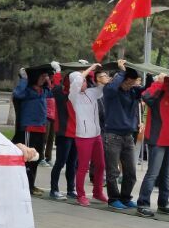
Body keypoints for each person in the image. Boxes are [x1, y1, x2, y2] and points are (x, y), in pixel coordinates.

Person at [136, 73, 169, 217]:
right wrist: (160, 82)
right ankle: (143, 204)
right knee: (153, 174)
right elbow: (145, 96)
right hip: (157, 140)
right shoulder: (158, 93)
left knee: (165, 175)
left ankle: (163, 204)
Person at [101, 60, 144, 209]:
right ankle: (113, 199)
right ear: (121, 79)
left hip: (128, 136)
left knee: (131, 172)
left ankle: (125, 197)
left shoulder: (133, 92)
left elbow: (148, 90)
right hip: (112, 135)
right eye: (128, 82)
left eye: (133, 83)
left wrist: (152, 76)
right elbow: (113, 87)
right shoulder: (110, 90)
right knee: (113, 171)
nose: (130, 85)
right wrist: (122, 71)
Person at [69, 64, 110, 206]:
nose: (84, 83)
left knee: (101, 165)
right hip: (83, 137)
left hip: (96, 135)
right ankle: (80, 195)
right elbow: (77, 81)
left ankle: (97, 192)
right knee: (83, 167)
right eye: (82, 81)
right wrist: (91, 67)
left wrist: (103, 77)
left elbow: (103, 87)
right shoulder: (73, 95)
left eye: (85, 81)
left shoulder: (91, 92)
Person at [13, 67, 52, 196]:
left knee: (36, 158)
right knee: (28, 159)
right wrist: (24, 79)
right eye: (42, 76)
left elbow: (54, 91)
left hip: (41, 128)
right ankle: (25, 186)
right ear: (35, 77)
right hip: (29, 128)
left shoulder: (44, 91)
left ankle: (31, 185)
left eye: (45, 76)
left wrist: (53, 76)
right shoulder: (27, 91)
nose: (44, 79)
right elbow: (17, 94)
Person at [49, 69, 77, 200]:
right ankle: (54, 189)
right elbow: (55, 86)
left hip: (76, 133)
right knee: (60, 162)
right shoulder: (61, 93)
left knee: (72, 164)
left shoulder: (77, 94)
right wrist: (58, 72)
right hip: (64, 133)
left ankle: (71, 189)